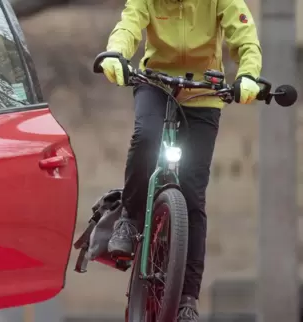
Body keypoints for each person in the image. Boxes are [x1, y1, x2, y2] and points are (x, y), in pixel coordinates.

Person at [98, 0, 262, 321]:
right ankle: (129, 220)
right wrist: (115, 54)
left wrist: (248, 75)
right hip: (155, 84)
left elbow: (245, 37)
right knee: (146, 138)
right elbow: (128, 26)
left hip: (205, 92)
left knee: (192, 194)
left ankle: (187, 295)